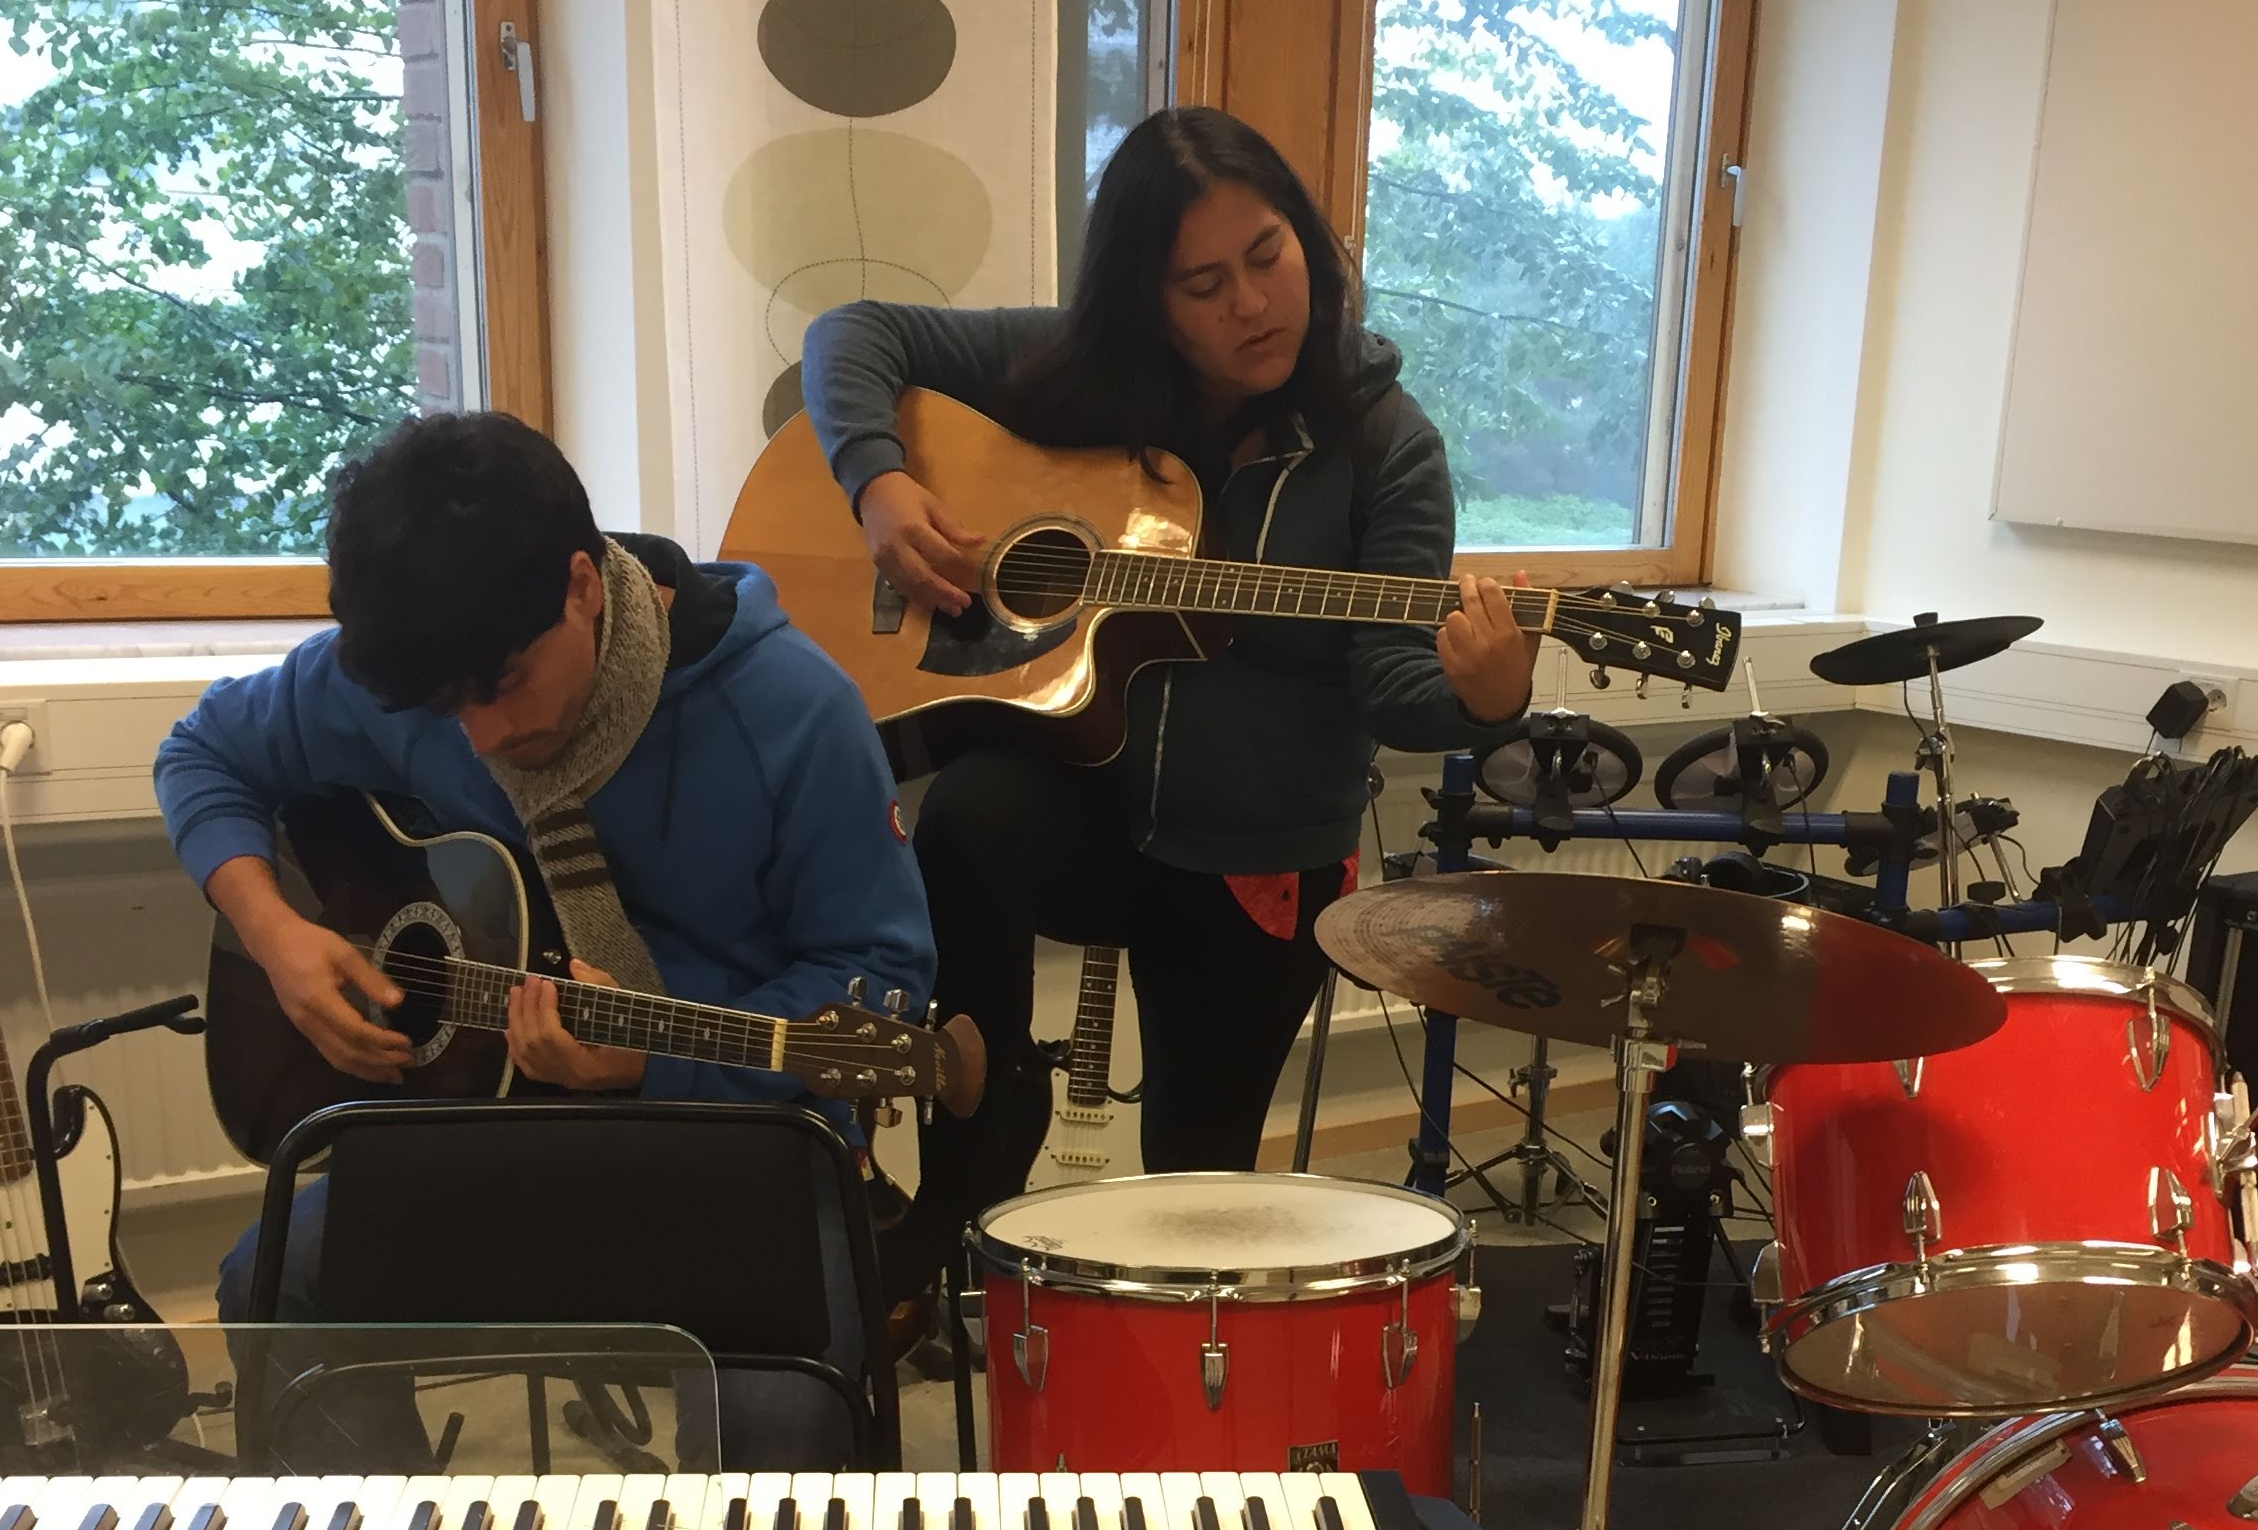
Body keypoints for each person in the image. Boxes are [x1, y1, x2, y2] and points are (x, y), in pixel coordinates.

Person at [801, 104, 1537, 1301]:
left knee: (1195, 1191)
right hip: (1086, 802)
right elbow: (853, 333)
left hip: (1256, 853)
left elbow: (1396, 682)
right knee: (971, 817)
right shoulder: (1083, 382)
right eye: (1204, 284)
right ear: (1148, 304)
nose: (1253, 304)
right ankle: (973, 1169)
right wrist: (879, 484)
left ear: (1309, 243)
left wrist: (1484, 699)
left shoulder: (1387, 448)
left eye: (1268, 256)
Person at [156, 410, 938, 1333]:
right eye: (449, 709)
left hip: (743, 1140)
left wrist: (654, 1059)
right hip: (486, 1131)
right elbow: (202, 751)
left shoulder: (792, 709)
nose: (487, 737)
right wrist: (274, 932)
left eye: (505, 686)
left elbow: (882, 983)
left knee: (775, 1425)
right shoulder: (426, 662)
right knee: (272, 1284)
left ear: (582, 587)